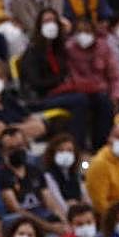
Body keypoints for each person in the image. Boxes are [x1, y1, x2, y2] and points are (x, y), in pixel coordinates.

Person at [17, 10, 94, 147]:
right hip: (40, 97)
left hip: (60, 93)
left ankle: (97, 144)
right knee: (79, 100)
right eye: (46, 21)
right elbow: (35, 83)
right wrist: (59, 82)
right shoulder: (32, 52)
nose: (50, 25)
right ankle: (77, 147)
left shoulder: (59, 49)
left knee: (97, 98)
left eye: (53, 21)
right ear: (39, 26)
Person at [61, 17, 119, 141]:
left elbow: (116, 76)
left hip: (101, 91)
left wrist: (116, 96)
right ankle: (79, 148)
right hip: (78, 90)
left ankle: (101, 145)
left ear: (94, 33)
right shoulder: (68, 49)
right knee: (81, 102)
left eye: (87, 32)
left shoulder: (104, 48)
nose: (84, 35)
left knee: (107, 103)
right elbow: (69, 76)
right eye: (80, 32)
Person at [42, 134, 88, 207]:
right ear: (53, 153)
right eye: (61, 150)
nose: (65, 154)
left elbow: (85, 196)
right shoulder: (48, 175)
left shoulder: (76, 174)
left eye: (70, 150)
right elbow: (58, 201)